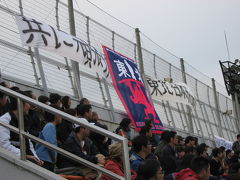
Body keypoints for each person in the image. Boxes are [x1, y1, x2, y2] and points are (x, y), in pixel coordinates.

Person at [0, 90, 43, 166]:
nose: (29, 106)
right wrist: (24, 156)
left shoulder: (24, 120)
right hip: (13, 161)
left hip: (24, 159)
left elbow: (28, 143)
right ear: (20, 103)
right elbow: (4, 144)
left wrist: (36, 158)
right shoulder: (4, 120)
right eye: (27, 103)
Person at [35, 105, 62, 171]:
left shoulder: (50, 126)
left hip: (45, 158)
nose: (62, 117)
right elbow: (50, 143)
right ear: (56, 115)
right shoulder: (50, 126)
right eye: (61, 114)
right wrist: (54, 157)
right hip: (44, 159)